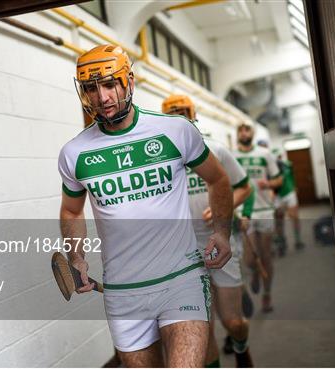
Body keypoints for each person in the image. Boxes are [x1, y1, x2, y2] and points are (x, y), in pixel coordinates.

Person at [58, 45, 234, 367]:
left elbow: (219, 180)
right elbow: (71, 209)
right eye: (91, 88)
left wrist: (222, 233)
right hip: (122, 292)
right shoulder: (74, 153)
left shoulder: (176, 130)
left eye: (110, 84)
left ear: (128, 82)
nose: (102, 97)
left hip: (181, 279)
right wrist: (77, 257)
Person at [162, 94, 255, 368]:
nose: (179, 118)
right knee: (204, 329)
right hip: (185, 253)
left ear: (193, 115)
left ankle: (241, 344)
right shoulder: (161, 159)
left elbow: (244, 187)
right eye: (172, 114)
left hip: (220, 243)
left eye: (183, 112)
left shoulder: (215, 148)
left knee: (233, 321)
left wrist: (221, 207)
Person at [234, 123, 282, 313]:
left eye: (247, 130)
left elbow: (279, 179)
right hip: (244, 212)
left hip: (264, 211)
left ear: (252, 134)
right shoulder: (233, 156)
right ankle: (254, 272)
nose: (244, 133)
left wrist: (269, 183)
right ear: (237, 134)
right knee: (249, 259)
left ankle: (267, 294)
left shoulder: (264, 154)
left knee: (266, 255)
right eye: (241, 130)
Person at [272, 148, 304, 255]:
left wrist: (294, 186)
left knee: (294, 217)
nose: (279, 159)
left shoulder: (288, 165)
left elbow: (292, 176)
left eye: (279, 157)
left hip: (289, 193)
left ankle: (298, 240)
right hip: (277, 196)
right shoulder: (270, 168)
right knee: (279, 220)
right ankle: (281, 243)